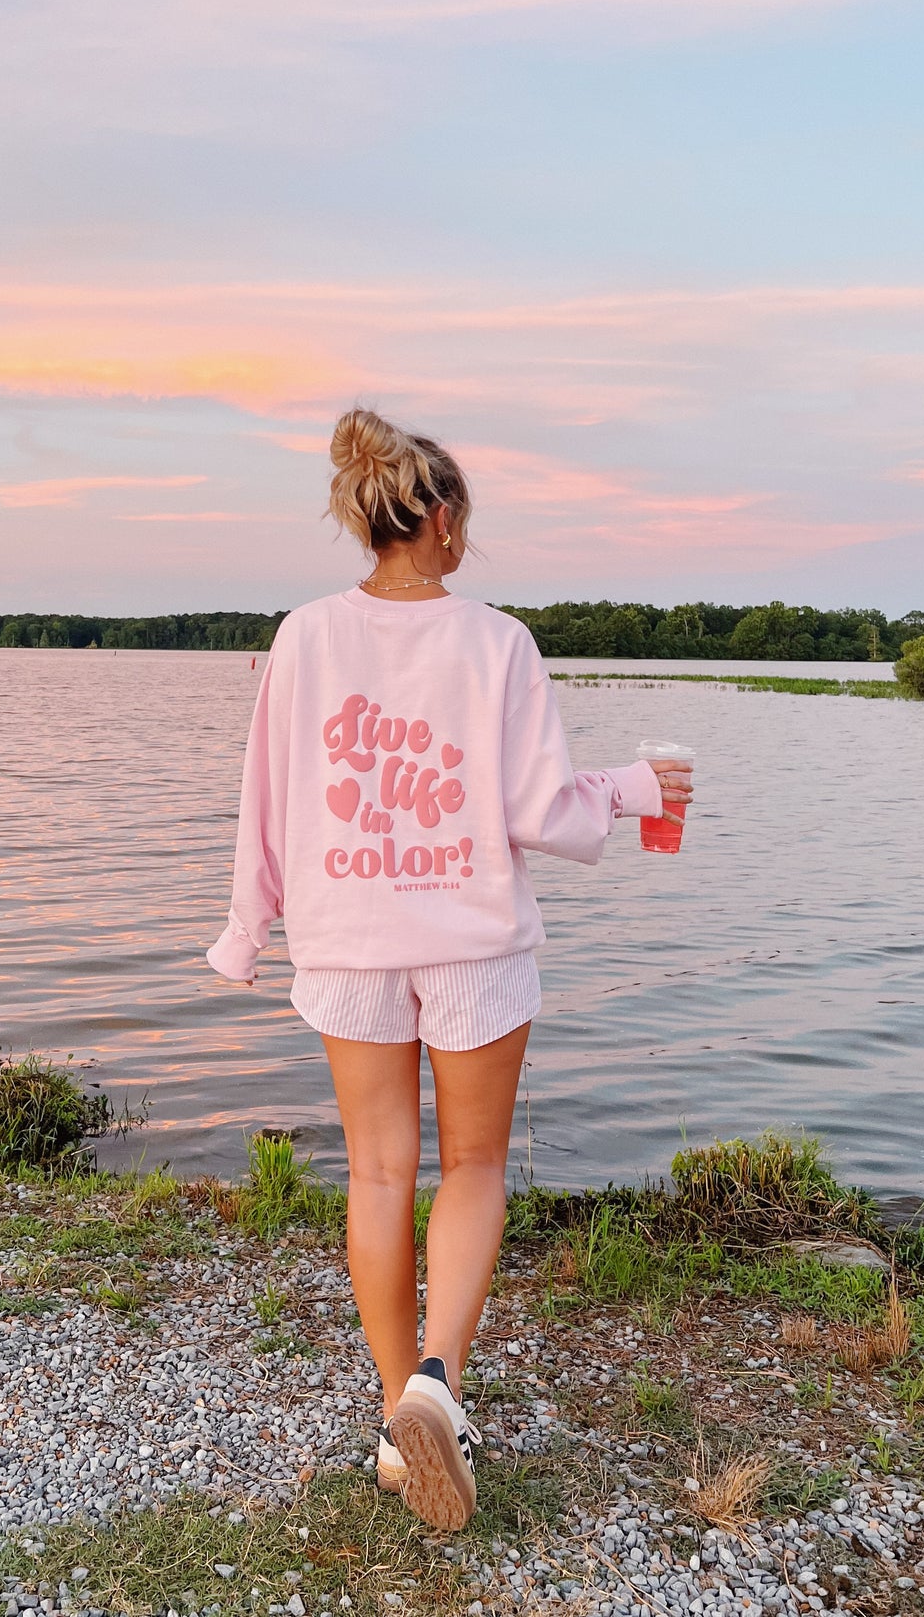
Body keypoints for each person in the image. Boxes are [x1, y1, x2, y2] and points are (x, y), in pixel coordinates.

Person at [208, 408, 694, 1532]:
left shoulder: (302, 636)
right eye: (460, 516)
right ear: (434, 518)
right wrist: (629, 788)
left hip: (346, 940)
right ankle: (438, 1382)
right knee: (472, 1161)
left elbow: (264, 799)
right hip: (471, 940)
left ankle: (398, 1423)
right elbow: (539, 810)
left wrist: (247, 930)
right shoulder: (497, 640)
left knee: (379, 1172)